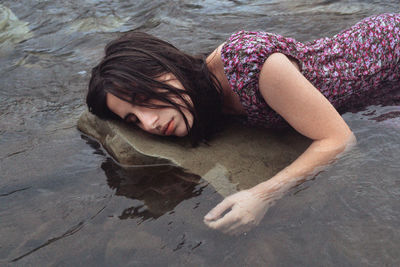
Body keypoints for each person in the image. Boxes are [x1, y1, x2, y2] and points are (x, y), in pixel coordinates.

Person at [86, 13, 400, 235]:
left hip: (390, 52)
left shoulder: (252, 66)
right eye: (133, 119)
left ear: (164, 66)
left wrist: (263, 195)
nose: (149, 122)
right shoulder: (201, 92)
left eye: (143, 98)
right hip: (370, 89)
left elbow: (339, 140)